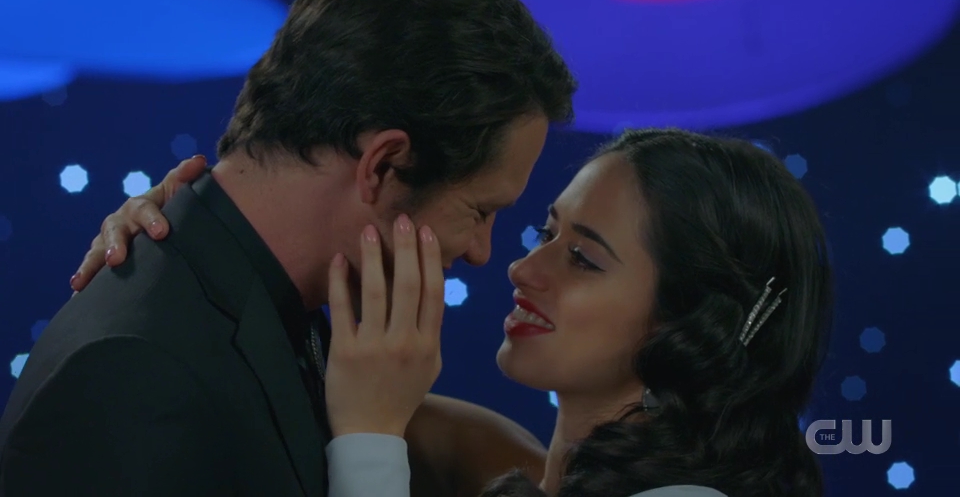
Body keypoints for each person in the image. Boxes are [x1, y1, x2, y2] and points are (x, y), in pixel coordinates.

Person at [0, 0, 576, 496]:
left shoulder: (274, 311)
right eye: (479, 211)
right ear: (382, 165)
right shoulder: (135, 376)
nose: (481, 251)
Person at [71, 128, 834, 497]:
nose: (521, 268)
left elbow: (366, 418)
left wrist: (370, 440)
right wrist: (190, 234)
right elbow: (289, 391)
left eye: (583, 257)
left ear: (689, 322)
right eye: (547, 233)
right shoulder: (503, 462)